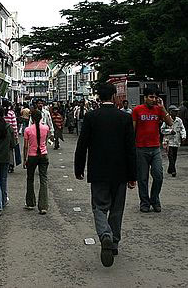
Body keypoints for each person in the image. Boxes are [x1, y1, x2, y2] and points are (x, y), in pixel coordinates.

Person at [75, 82, 136, 267]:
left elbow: (82, 144)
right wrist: (132, 175)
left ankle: (105, 235)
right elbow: (130, 148)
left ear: (99, 97)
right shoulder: (124, 118)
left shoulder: (91, 117)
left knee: (100, 207)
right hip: (120, 172)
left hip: (98, 171)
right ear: (114, 97)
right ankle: (114, 242)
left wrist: (79, 168)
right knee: (117, 209)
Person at [132, 88, 174, 213]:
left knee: (158, 175)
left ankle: (155, 199)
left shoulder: (158, 109)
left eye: (155, 97)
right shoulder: (137, 110)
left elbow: (170, 123)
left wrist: (163, 108)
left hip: (155, 148)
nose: (154, 99)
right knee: (142, 178)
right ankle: (144, 202)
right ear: (144, 97)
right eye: (151, 97)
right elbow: (132, 130)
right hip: (141, 148)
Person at [24, 109, 50, 214]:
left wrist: (24, 159)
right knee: (43, 179)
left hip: (32, 156)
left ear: (32, 118)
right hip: (43, 154)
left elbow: (26, 146)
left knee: (30, 179)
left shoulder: (28, 130)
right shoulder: (46, 128)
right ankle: (43, 206)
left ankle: (30, 202)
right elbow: (45, 141)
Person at [160, 105, 186, 177]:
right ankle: (173, 170)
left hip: (176, 140)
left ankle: (170, 168)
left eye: (177, 112)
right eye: (174, 111)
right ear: (170, 112)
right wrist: (169, 131)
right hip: (168, 141)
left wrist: (183, 136)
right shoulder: (166, 120)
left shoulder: (179, 120)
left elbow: (182, 129)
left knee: (174, 155)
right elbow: (162, 130)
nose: (176, 113)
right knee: (170, 155)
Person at [3, 100, 19, 173]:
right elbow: (14, 124)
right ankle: (11, 165)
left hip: (2, 134)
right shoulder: (11, 113)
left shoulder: (2, 112)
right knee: (10, 150)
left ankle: (5, 164)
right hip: (10, 134)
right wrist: (16, 135)